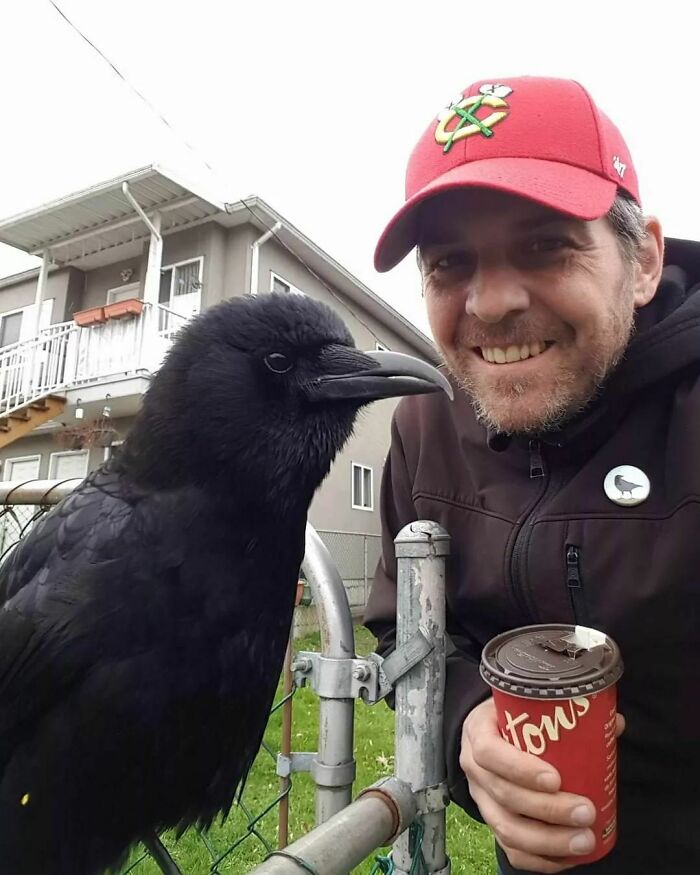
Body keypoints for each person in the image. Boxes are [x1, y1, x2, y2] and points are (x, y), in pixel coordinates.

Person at [364, 75, 700, 874]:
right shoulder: (423, 429)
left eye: (547, 245)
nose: (490, 302)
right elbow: (404, 631)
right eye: (450, 262)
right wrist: (466, 723)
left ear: (643, 260)